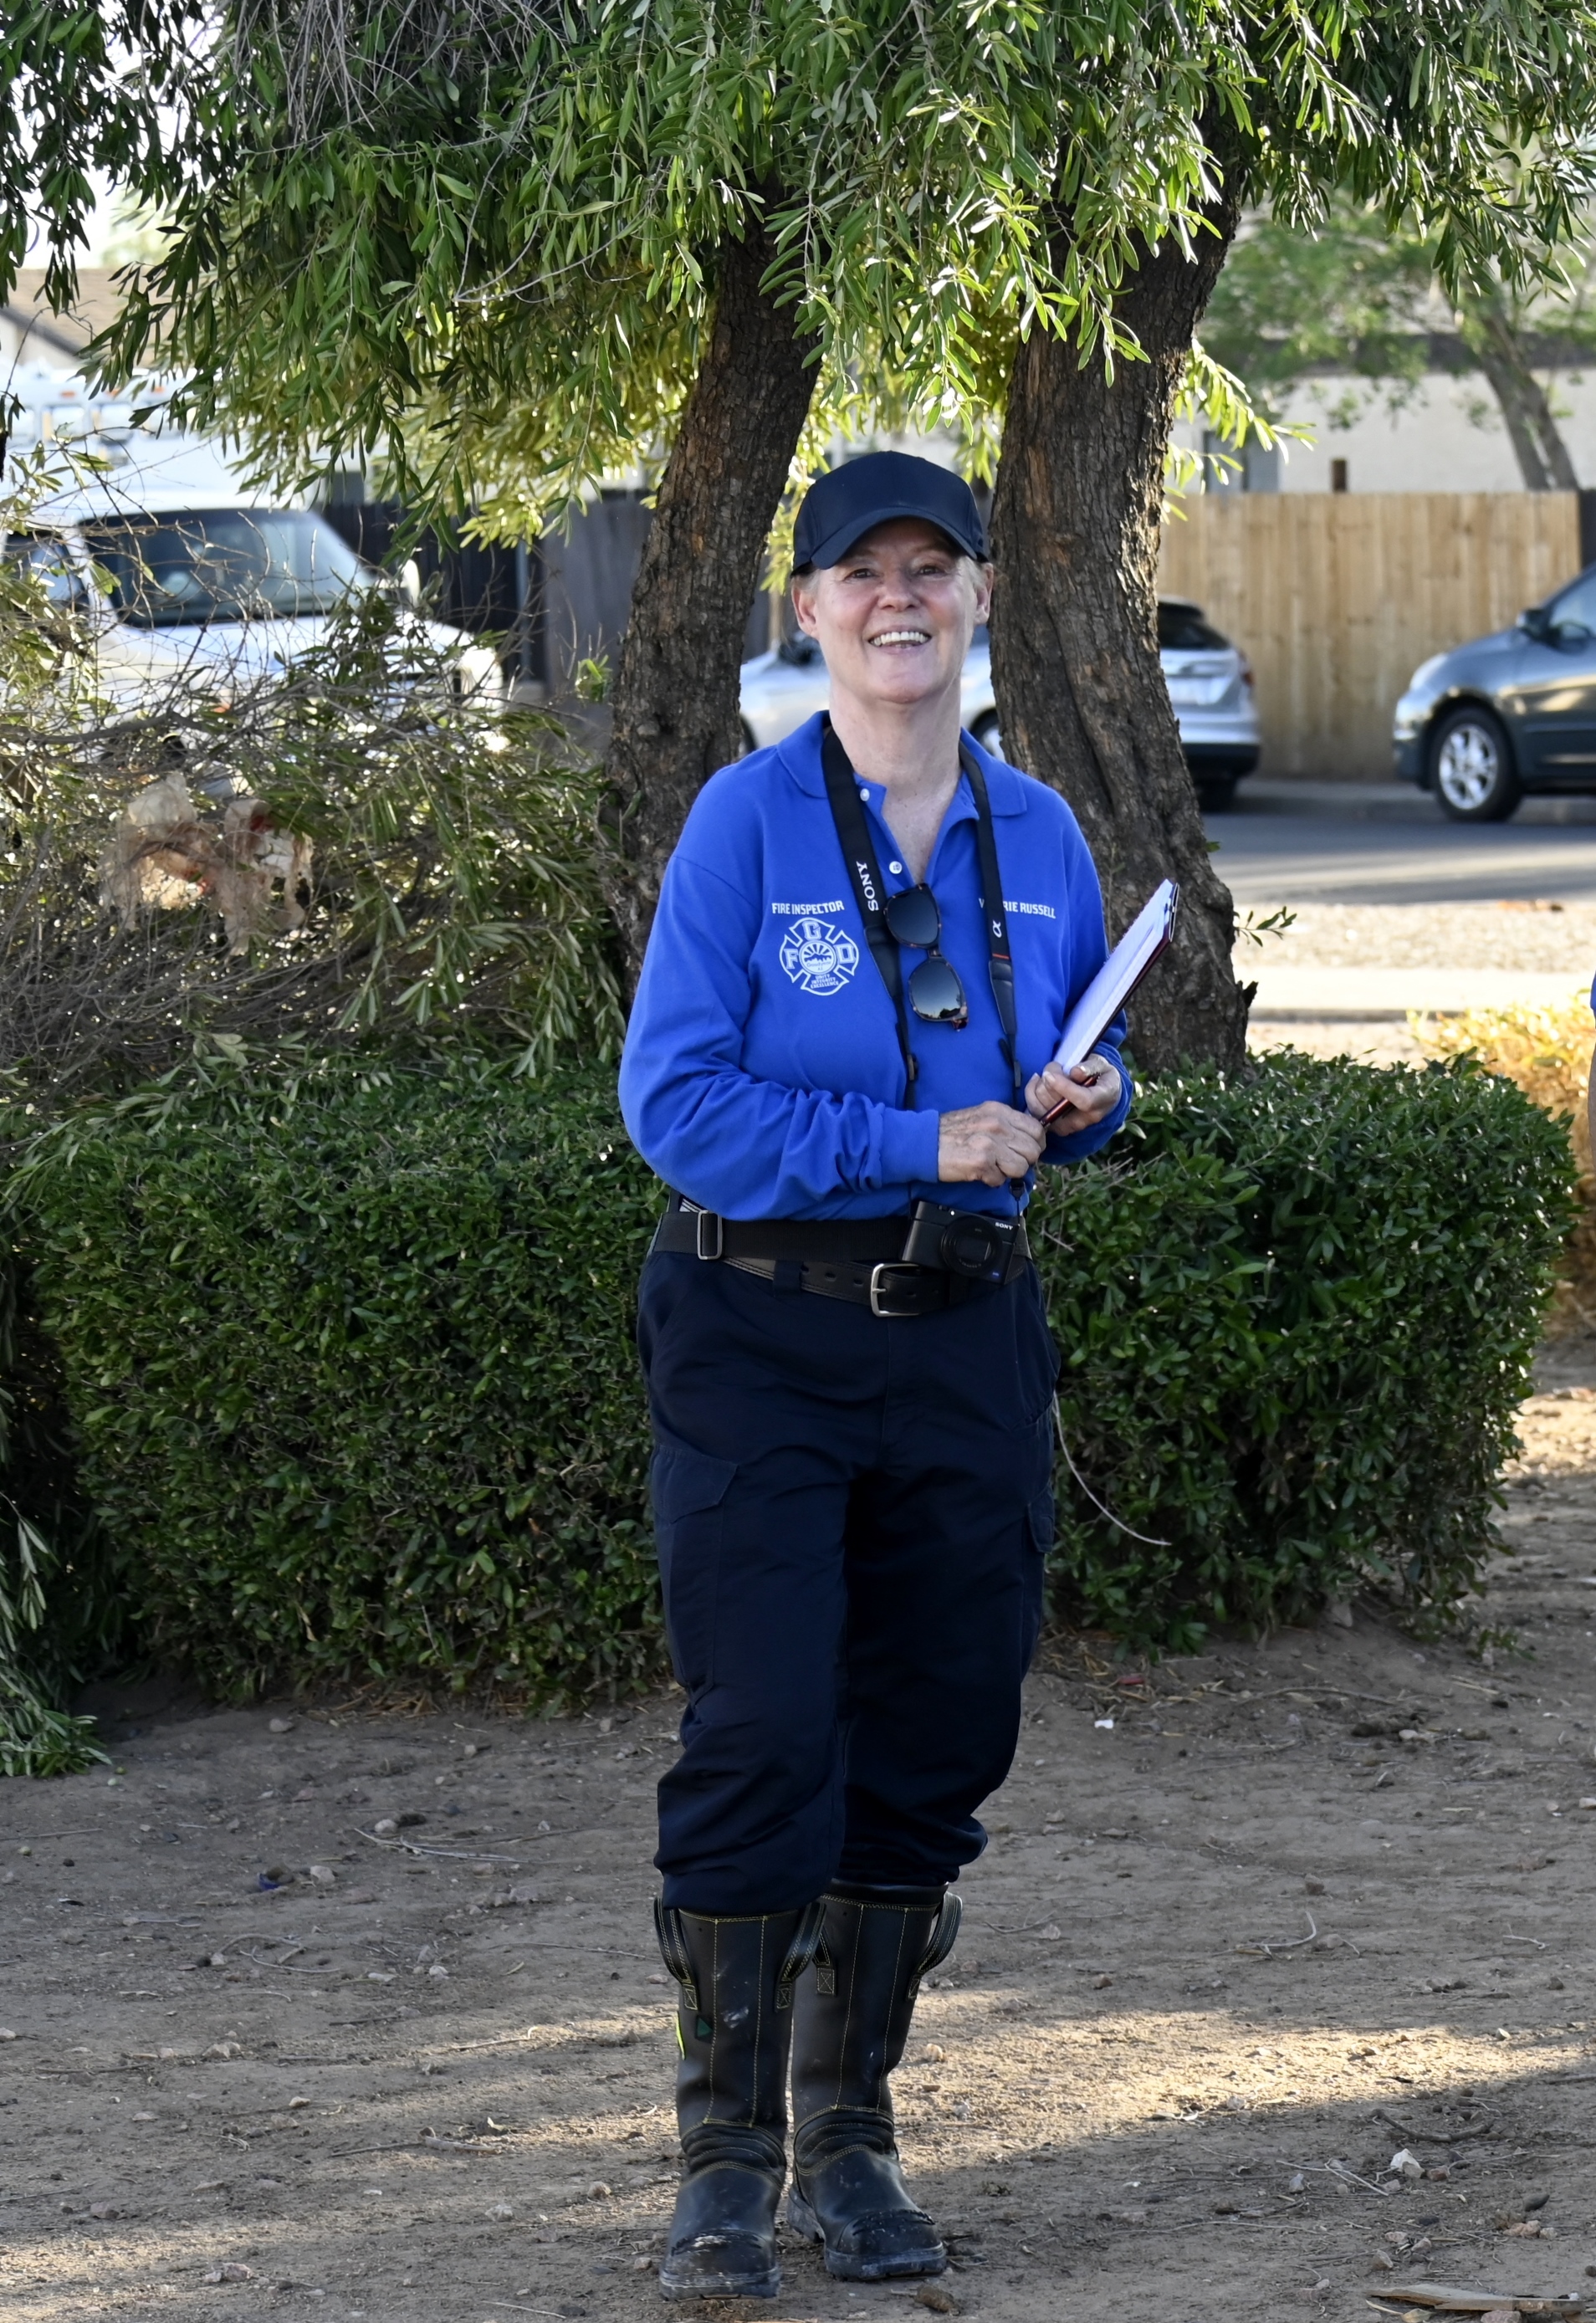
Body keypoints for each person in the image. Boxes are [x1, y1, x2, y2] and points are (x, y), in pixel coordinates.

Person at [618, 450, 1131, 2302]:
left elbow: (1076, 1067)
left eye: (933, 568)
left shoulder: (1042, 835)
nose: (898, 598)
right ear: (812, 609)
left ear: (982, 596)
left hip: (967, 1334)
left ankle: (849, 2141)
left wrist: (1086, 1101)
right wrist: (923, 1142)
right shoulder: (745, 825)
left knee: (936, 1732)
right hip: (759, 1332)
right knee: (764, 1728)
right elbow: (676, 1105)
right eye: (863, 573)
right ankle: (722, 2165)